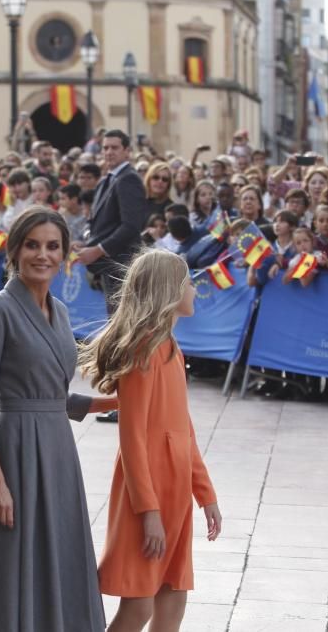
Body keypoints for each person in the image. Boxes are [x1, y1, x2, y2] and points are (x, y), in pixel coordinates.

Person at [0, 207, 112, 632]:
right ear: (14, 251)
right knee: (13, 566)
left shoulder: (62, 312)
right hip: (13, 454)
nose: (42, 255)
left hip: (59, 453)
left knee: (60, 559)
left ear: (66, 253)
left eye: (52, 246)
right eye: (32, 245)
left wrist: (112, 403)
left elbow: (52, 394)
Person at [78, 249, 221, 632]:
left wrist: (205, 494)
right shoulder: (145, 350)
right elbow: (132, 436)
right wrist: (149, 511)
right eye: (188, 282)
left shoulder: (172, 349)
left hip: (174, 492)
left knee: (174, 596)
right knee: (138, 606)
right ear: (168, 291)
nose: (194, 289)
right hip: (148, 496)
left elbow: (183, 428)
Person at [75, 129, 148, 313]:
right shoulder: (106, 180)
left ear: (126, 151)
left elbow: (131, 226)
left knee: (123, 323)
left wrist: (98, 250)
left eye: (114, 147)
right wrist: (85, 243)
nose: (109, 152)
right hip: (110, 267)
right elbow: (101, 223)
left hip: (123, 264)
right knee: (115, 321)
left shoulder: (128, 179)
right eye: (105, 148)